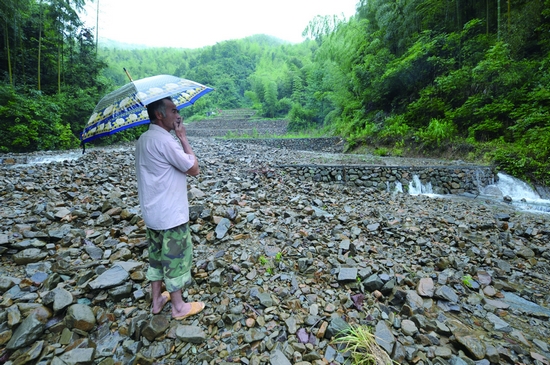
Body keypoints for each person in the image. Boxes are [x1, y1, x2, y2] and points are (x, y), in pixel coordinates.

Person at [135, 96, 205, 320]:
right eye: (173, 111)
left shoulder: (143, 139)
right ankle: (178, 306)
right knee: (175, 258)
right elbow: (193, 168)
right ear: (159, 115)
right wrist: (182, 137)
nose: (177, 115)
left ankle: (156, 301)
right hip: (170, 215)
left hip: (152, 213)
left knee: (156, 257)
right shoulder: (165, 141)